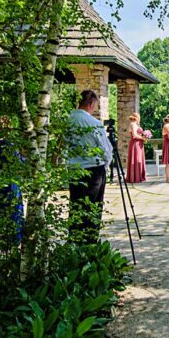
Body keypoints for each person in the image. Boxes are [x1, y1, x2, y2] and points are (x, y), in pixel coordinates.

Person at [65, 90, 114, 244]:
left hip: (74, 169)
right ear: (91, 104)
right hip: (93, 170)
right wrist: (105, 167)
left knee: (76, 205)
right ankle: (90, 241)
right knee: (93, 207)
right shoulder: (94, 123)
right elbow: (106, 149)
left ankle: (74, 239)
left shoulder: (68, 121)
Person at [126, 112, 149, 184]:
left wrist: (145, 135)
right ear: (137, 118)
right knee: (136, 159)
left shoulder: (135, 124)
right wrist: (143, 138)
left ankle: (139, 176)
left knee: (139, 159)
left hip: (139, 144)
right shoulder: (133, 124)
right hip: (135, 144)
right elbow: (135, 135)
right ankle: (135, 177)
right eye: (139, 117)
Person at [105, 118, 119, 183]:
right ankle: (111, 175)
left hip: (111, 141)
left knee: (114, 157)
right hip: (110, 141)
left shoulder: (110, 129)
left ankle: (112, 175)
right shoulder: (111, 129)